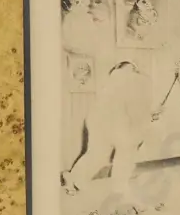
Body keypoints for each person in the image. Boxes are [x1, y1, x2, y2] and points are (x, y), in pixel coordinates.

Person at [62, 61, 163, 198]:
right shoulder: (131, 82)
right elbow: (134, 111)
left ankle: (73, 177)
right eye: (133, 69)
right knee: (124, 155)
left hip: (99, 120)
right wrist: (149, 116)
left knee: (97, 154)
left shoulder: (112, 85)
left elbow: (132, 109)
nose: (135, 72)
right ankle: (119, 188)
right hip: (112, 122)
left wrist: (149, 115)